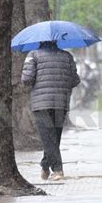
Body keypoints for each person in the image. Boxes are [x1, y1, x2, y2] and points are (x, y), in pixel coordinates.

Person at [21, 41, 80, 181]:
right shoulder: (67, 56)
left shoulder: (33, 55)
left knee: (48, 138)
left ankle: (58, 170)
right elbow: (75, 80)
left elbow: (27, 79)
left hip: (42, 104)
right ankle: (45, 166)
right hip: (61, 103)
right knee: (54, 137)